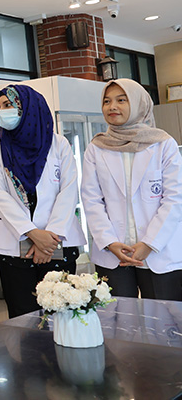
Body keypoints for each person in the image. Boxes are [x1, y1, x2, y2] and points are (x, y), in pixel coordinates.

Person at [0, 84, 86, 318]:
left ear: (28, 107)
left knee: (63, 313)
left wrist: (50, 236)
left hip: (57, 241)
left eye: (8, 105)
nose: (2, 112)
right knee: (24, 318)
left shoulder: (58, 144)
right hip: (15, 246)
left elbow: (69, 190)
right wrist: (31, 232)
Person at [82, 79, 182, 301]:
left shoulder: (163, 144)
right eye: (106, 101)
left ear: (138, 104)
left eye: (121, 100)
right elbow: (91, 199)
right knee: (119, 321)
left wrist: (149, 243)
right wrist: (109, 241)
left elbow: (175, 198)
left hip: (159, 251)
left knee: (165, 324)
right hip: (114, 252)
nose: (112, 107)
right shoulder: (96, 147)